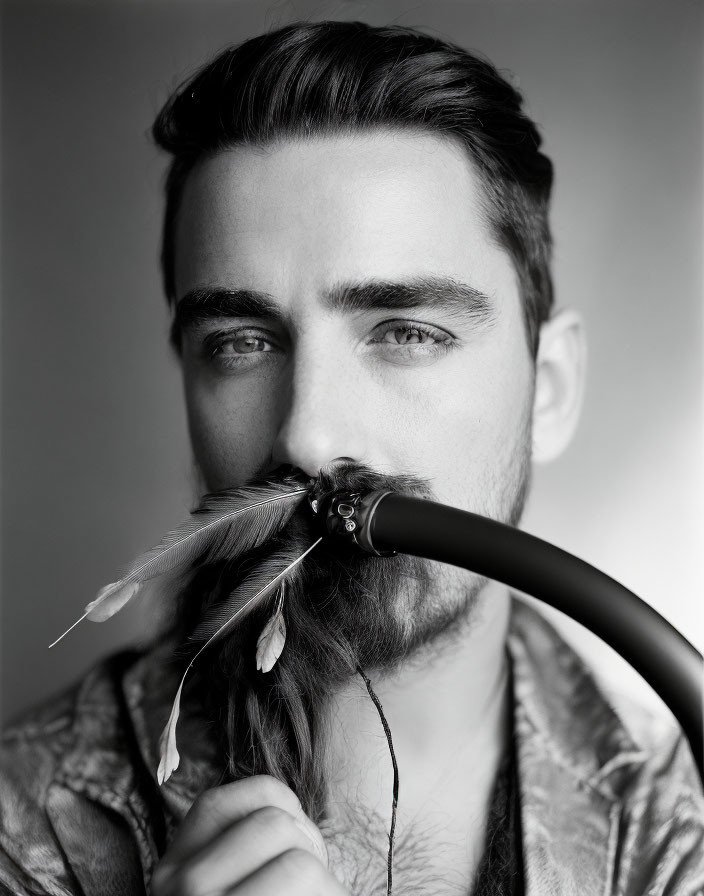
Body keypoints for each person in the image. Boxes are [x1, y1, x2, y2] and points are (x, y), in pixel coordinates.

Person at [1, 20, 702, 896]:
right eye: (242, 343)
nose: (307, 436)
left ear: (549, 389)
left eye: (407, 332)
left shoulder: (682, 830)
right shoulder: (22, 830)